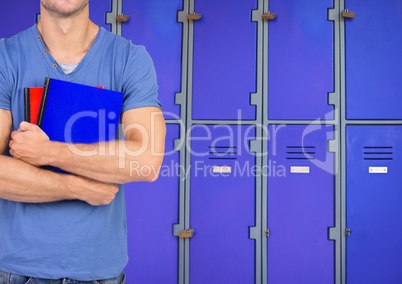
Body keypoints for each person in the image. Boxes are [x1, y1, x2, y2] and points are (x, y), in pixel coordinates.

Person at [0, 0, 166, 283]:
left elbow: (147, 161)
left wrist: (48, 152)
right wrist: (76, 187)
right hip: (18, 271)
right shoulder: (6, 57)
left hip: (100, 273)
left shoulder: (129, 59)